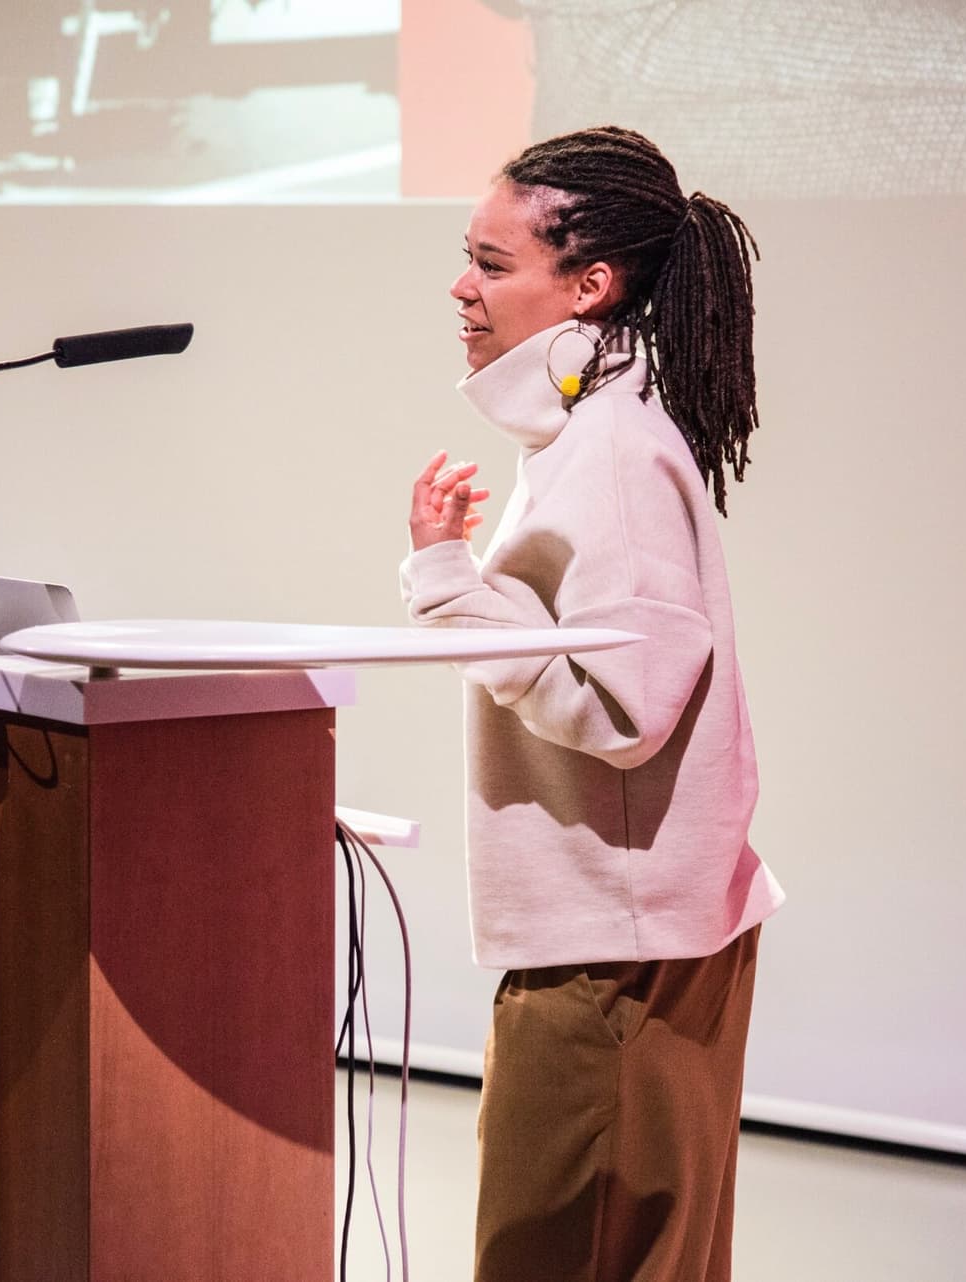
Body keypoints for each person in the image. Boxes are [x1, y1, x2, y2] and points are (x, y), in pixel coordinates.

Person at [397, 125, 786, 1282]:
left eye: (492, 262)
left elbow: (629, 707)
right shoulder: (592, 434)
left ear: (591, 284)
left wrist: (446, 585)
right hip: (625, 945)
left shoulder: (611, 448)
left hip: (614, 960)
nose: (461, 287)